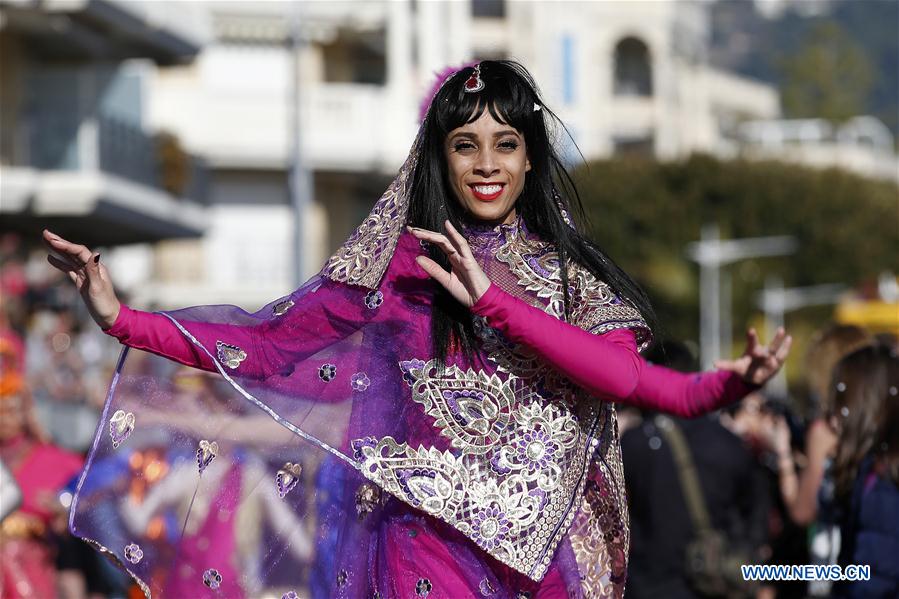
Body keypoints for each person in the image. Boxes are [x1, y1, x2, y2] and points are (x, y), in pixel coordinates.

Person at [44, 61, 791, 598]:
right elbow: (269, 345)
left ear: (531, 160)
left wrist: (727, 383)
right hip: (420, 544)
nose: (485, 164)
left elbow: (630, 379)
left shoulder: (568, 282)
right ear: (440, 157)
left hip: (552, 554)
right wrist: (122, 319)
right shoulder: (400, 265)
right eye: (465, 145)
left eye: (504, 144)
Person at [828, 343, 899, 598]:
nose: (833, 417)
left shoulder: (883, 481)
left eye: (841, 403)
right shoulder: (872, 470)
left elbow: (874, 578)